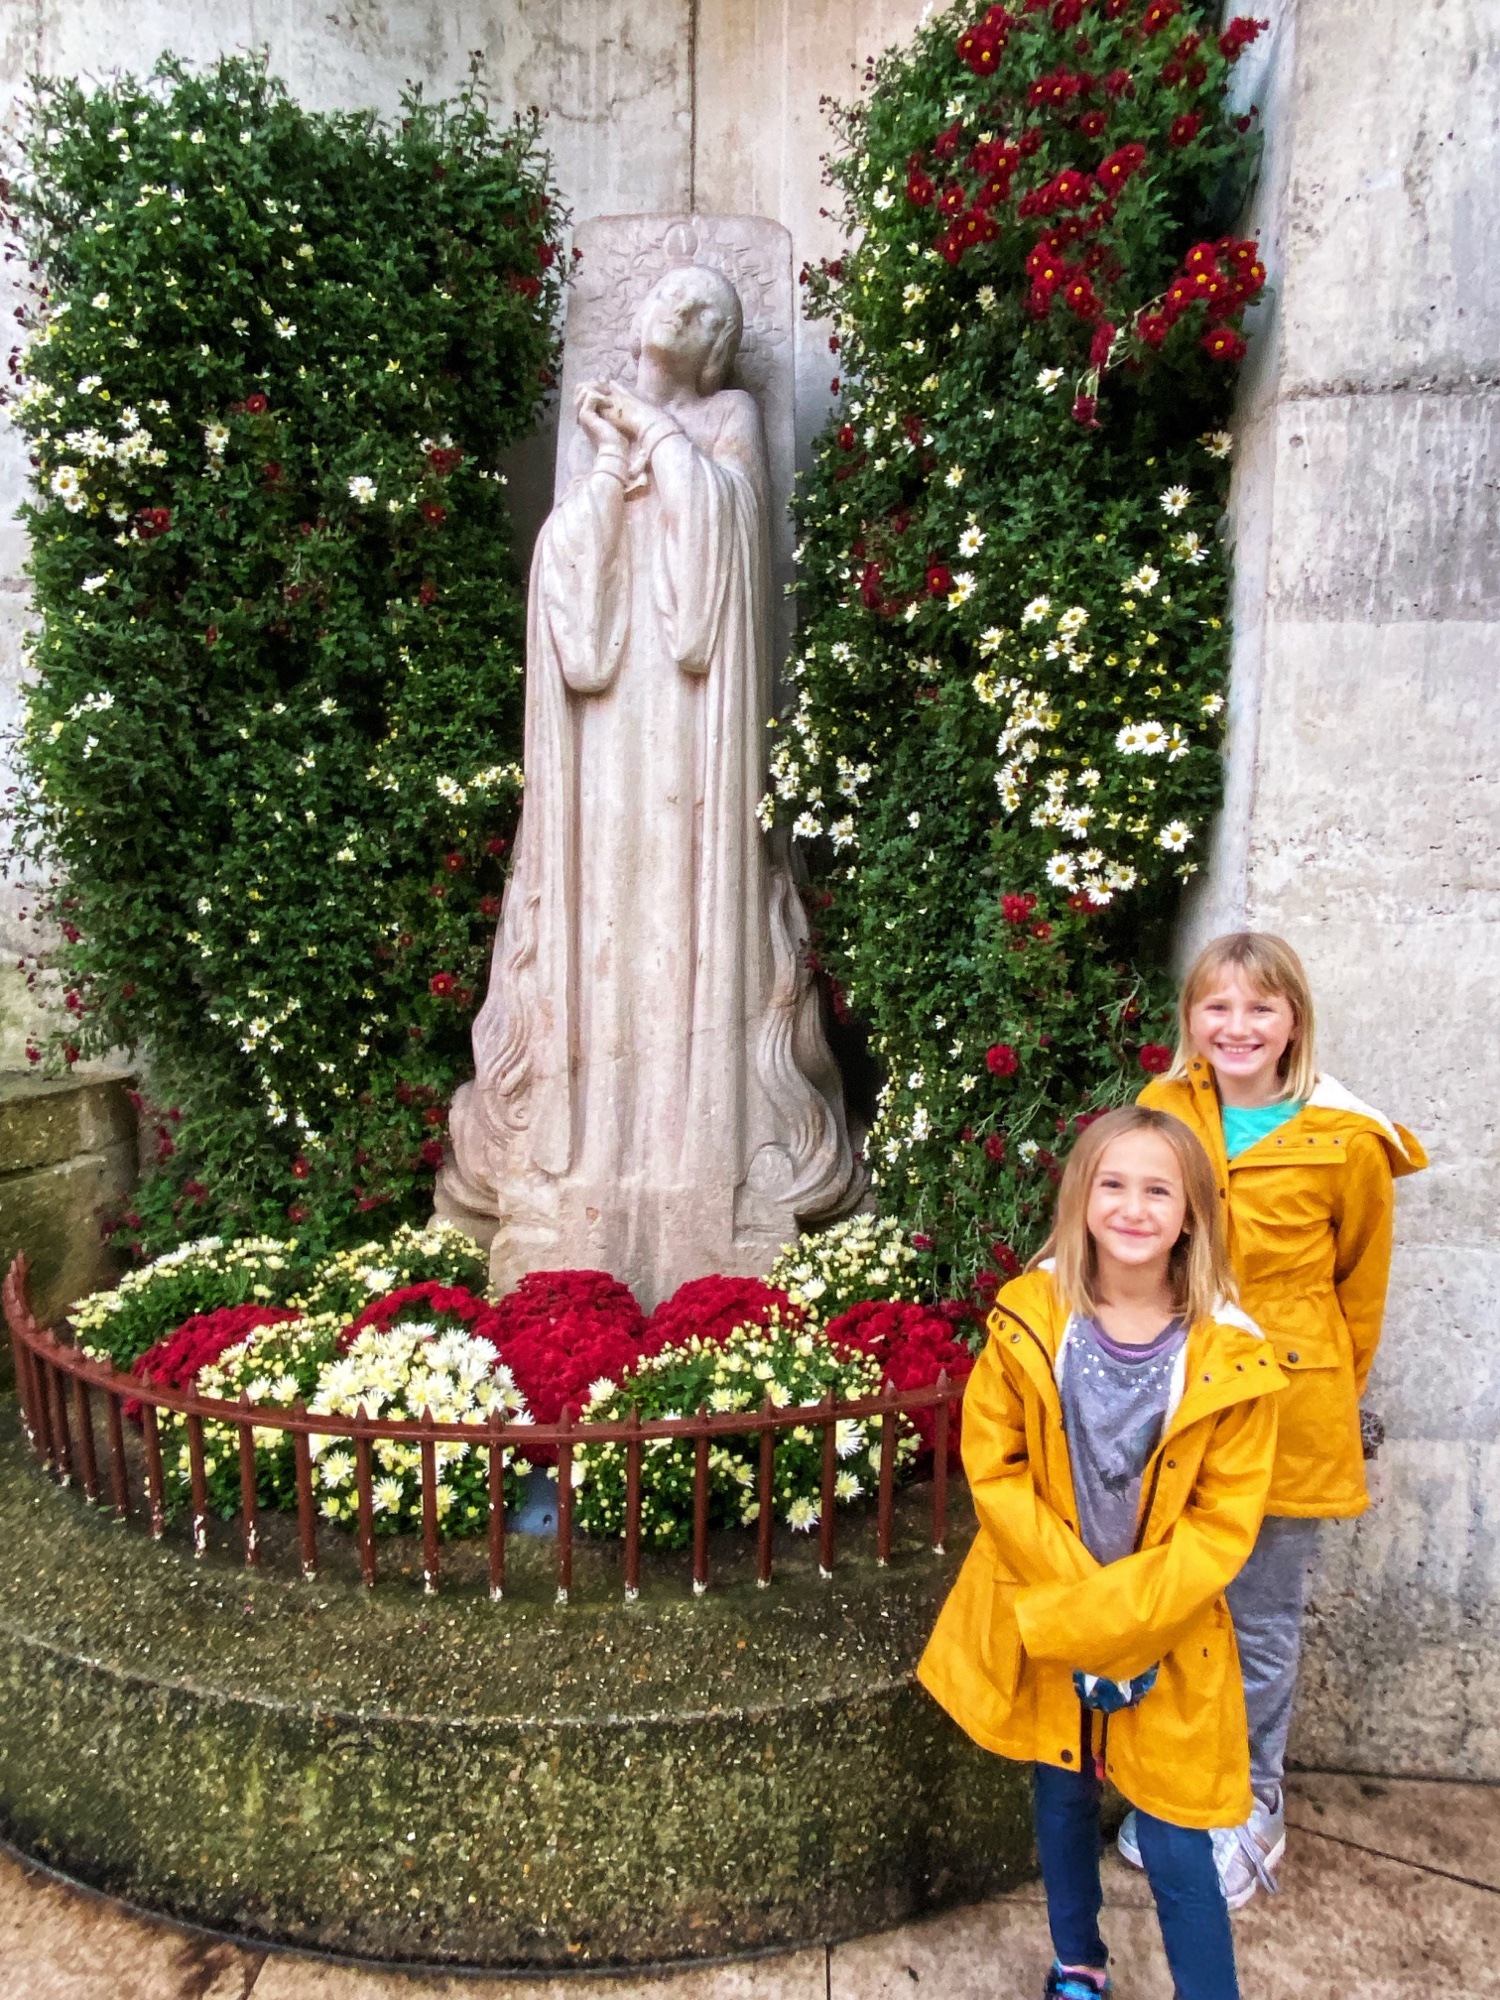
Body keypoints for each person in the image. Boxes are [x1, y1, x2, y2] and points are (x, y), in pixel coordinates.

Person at [920, 1105, 1285, 2000]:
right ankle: (1078, 1961)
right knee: (1063, 1796)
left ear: (1192, 1213)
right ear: (1081, 1199)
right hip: (1055, 1613)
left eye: (1159, 1190)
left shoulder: (1231, 1355)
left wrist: (1124, 1624)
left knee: (1176, 1837)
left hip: (1170, 1633)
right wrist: (1083, 1609)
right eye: (1113, 1184)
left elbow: (1221, 1526)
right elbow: (996, 1469)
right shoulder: (1031, 1320)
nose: (1133, 1207)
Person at [1119, 930, 1426, 1908]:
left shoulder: (1347, 1139)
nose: (1238, 1025)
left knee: (1257, 1622)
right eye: (1217, 1005)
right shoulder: (1164, 1110)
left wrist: (1320, 1395)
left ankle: (1252, 1805)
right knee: (1173, 1603)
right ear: (1190, 1018)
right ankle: (1177, 1788)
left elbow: (1359, 1294)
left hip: (1289, 1415)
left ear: (1294, 1019)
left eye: (1261, 1006)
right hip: (1175, 1403)